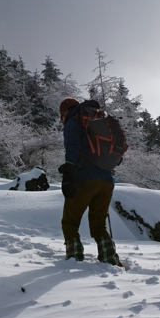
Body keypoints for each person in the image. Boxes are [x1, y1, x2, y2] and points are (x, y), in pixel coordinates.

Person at [57, 97, 122, 266]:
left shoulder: (74, 120)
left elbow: (73, 146)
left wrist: (69, 170)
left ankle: (74, 259)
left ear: (65, 112)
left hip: (84, 178)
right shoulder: (100, 120)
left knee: (70, 221)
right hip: (107, 180)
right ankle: (109, 259)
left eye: (61, 116)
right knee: (99, 223)